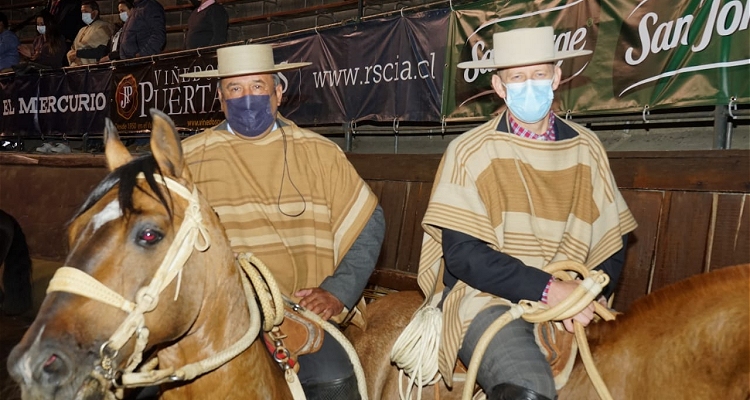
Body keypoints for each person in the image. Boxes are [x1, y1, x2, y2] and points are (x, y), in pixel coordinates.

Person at [416, 26, 637, 400]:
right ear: (499, 87)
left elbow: (611, 240)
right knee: (529, 387)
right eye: (517, 77)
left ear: (557, 77)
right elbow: (464, 255)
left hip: (576, 294)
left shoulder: (587, 147)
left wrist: (589, 293)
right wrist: (550, 290)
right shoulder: (469, 151)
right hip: (489, 299)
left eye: (539, 74)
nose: (529, 85)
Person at [180, 43, 385, 399]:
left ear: (278, 93)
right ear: (220, 97)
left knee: (334, 378)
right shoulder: (188, 157)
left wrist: (339, 292)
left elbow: (369, 220)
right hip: (216, 314)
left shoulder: (319, 152)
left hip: (298, 312)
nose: (248, 98)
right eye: (235, 88)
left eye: (258, 86)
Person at [66, 0, 114, 66]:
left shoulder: (103, 27)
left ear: (95, 12)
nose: (83, 14)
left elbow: (100, 51)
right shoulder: (82, 30)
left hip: (92, 69)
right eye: (82, 12)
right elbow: (73, 48)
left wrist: (78, 53)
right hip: (76, 68)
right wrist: (71, 54)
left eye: (86, 12)